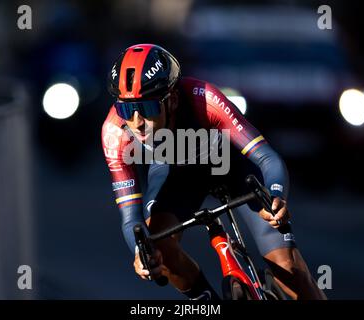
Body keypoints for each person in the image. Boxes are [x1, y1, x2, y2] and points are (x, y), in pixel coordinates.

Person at [101, 43, 326, 300]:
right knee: (158, 249)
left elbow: (267, 158)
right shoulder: (115, 133)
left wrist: (276, 196)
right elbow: (131, 218)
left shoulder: (203, 98)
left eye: (148, 108)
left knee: (288, 268)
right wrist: (141, 253)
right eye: (127, 110)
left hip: (231, 165)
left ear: (172, 100)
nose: (137, 122)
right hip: (178, 176)